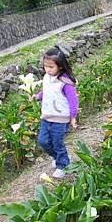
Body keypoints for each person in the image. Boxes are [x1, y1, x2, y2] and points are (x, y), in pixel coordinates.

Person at [33, 46, 79, 179]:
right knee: (43, 141)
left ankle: (63, 165)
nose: (47, 69)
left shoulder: (65, 82)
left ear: (60, 66)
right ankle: (59, 157)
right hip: (47, 116)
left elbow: (73, 101)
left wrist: (73, 117)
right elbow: (47, 91)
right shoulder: (47, 77)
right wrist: (38, 96)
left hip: (60, 118)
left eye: (51, 67)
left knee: (57, 142)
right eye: (45, 66)